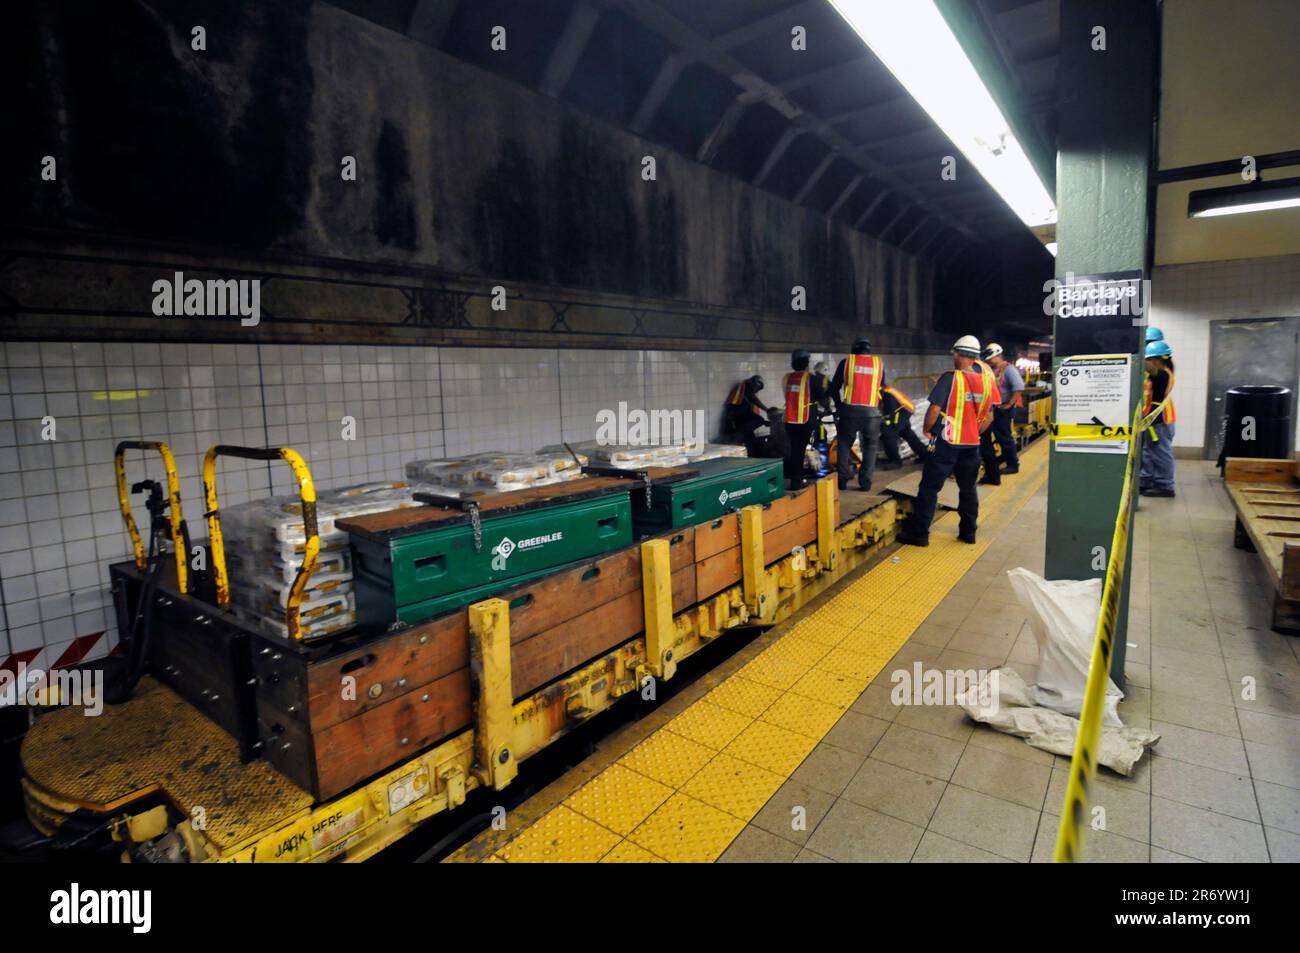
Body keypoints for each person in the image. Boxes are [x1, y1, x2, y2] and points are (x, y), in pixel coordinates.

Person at [897, 336, 1000, 547]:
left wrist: (927, 430)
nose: (953, 356)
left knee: (929, 488)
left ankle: (920, 534)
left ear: (959, 354)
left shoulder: (951, 378)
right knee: (968, 488)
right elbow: (989, 416)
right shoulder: (987, 381)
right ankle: (968, 533)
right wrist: (973, 432)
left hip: (947, 442)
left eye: (954, 352)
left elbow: (934, 409)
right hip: (972, 445)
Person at [831, 337, 886, 491]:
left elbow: (834, 388)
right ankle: (865, 482)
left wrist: (839, 406)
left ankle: (842, 481)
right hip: (872, 414)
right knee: (870, 447)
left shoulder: (847, 362)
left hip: (849, 411)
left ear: (854, 349)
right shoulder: (878, 364)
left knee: (844, 445)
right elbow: (882, 387)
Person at [978, 343, 1025, 485]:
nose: (989, 361)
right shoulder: (992, 369)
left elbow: (1018, 388)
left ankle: (1013, 465)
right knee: (996, 436)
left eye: (991, 358)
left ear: (998, 356)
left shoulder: (1009, 370)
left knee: (1004, 436)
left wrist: (1009, 404)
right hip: (994, 408)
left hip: (1004, 409)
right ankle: (1005, 460)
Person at [782, 350, 828, 489]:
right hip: (805, 420)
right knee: (802, 449)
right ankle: (799, 480)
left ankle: (796, 479)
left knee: (795, 450)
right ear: (807, 363)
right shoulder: (812, 379)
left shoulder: (786, 378)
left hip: (790, 421)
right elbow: (822, 399)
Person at [1140, 340, 1177, 498]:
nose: (1148, 363)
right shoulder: (1158, 374)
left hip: (1161, 420)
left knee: (1161, 453)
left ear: (1158, 360)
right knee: (1149, 452)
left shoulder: (1163, 373)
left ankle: (1165, 485)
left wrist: (1134, 357)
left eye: (1149, 359)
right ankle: (1146, 480)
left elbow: (1150, 369)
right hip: (1153, 420)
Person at [878, 384, 927, 470]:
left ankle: (895, 462)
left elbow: (890, 413)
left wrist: (886, 424)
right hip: (904, 410)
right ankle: (925, 455)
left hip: (901, 412)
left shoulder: (887, 394)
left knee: (889, 435)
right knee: (907, 433)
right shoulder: (884, 389)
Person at [724, 374, 767, 457]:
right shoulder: (746, 387)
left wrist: (765, 422)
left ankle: (753, 455)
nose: (756, 392)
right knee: (759, 420)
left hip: (742, 417)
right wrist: (766, 409)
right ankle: (738, 435)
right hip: (737, 417)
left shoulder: (744, 388)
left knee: (752, 439)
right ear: (754, 385)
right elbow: (754, 399)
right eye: (757, 389)